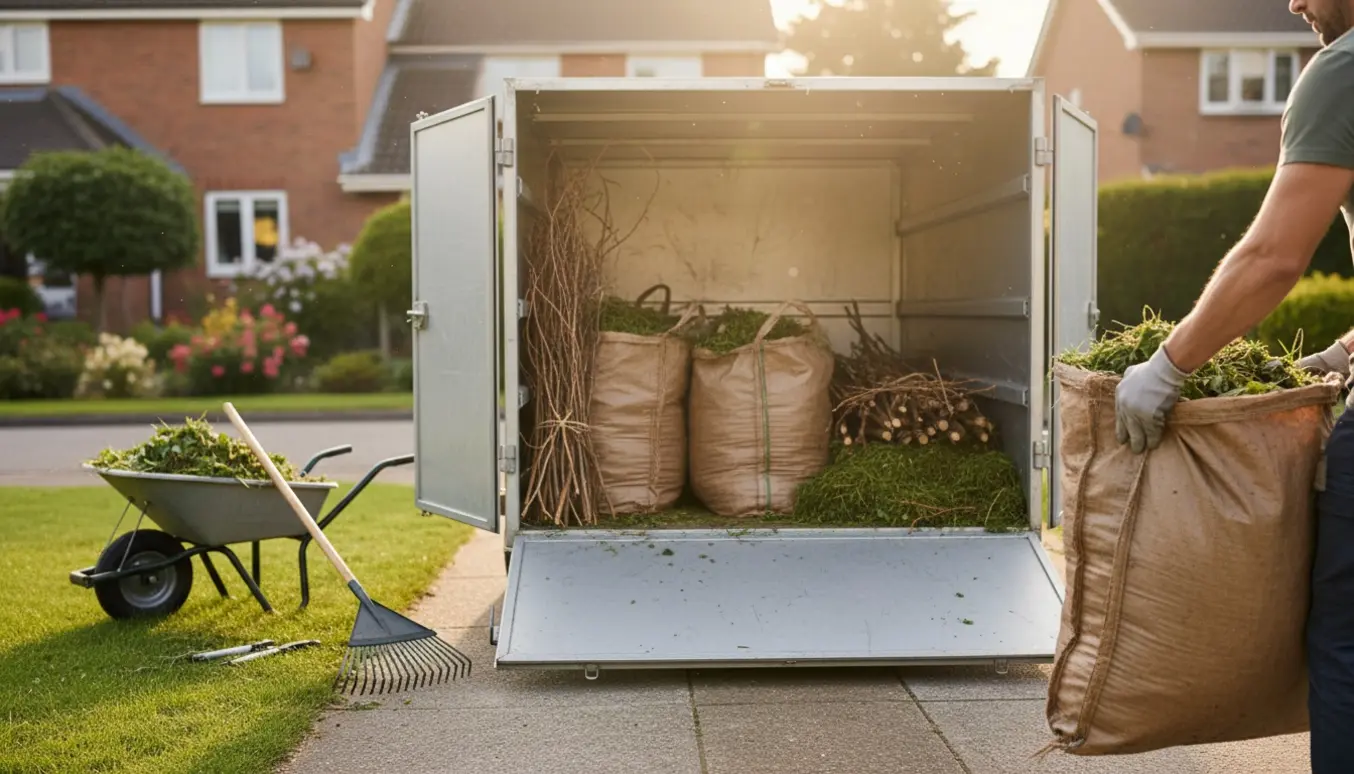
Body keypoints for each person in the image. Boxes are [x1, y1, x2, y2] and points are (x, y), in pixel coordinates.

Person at [1113, 3, 1354, 770]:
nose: (1294, 3)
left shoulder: (1344, 69)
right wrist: (1346, 349)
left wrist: (1169, 365)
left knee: (1347, 643)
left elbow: (1274, 257)